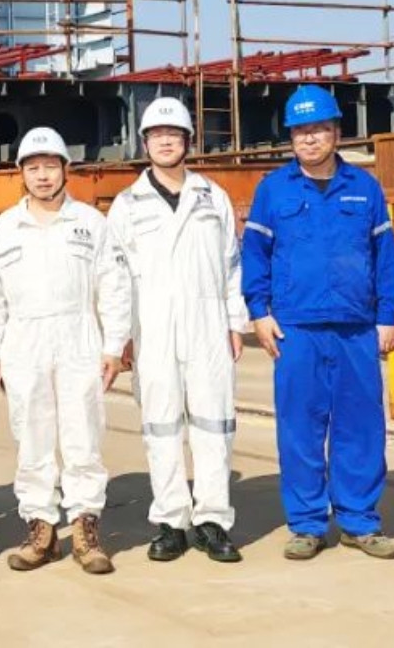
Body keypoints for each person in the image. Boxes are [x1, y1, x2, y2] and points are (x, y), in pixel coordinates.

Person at [242, 84, 394, 561]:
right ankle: (307, 524)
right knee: (300, 428)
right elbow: (255, 255)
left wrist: (387, 316)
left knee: (361, 425)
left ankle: (359, 521)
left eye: (318, 129)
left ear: (336, 132)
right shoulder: (273, 189)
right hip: (296, 329)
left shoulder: (364, 188)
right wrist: (258, 312)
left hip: (356, 327)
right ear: (291, 138)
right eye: (300, 132)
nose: (309, 139)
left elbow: (384, 257)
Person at [0, 126, 129, 576]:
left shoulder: (89, 223)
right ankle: (40, 530)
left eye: (50, 166)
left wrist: (113, 345)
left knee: (83, 434)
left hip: (77, 335)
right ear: (21, 173)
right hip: (24, 340)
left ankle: (85, 529)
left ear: (66, 169)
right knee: (32, 436)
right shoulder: (6, 227)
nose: (42, 176)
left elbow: (114, 285)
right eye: (33, 168)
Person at [104, 98, 245, 565]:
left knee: (213, 424)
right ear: (144, 143)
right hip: (153, 328)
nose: (165, 141)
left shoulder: (212, 197)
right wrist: (119, 337)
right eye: (157, 135)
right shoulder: (127, 205)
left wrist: (234, 321)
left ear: (188, 141)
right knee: (161, 426)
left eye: (174, 134)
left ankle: (212, 521)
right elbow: (115, 276)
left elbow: (232, 265)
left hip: (207, 326)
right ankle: (170, 522)